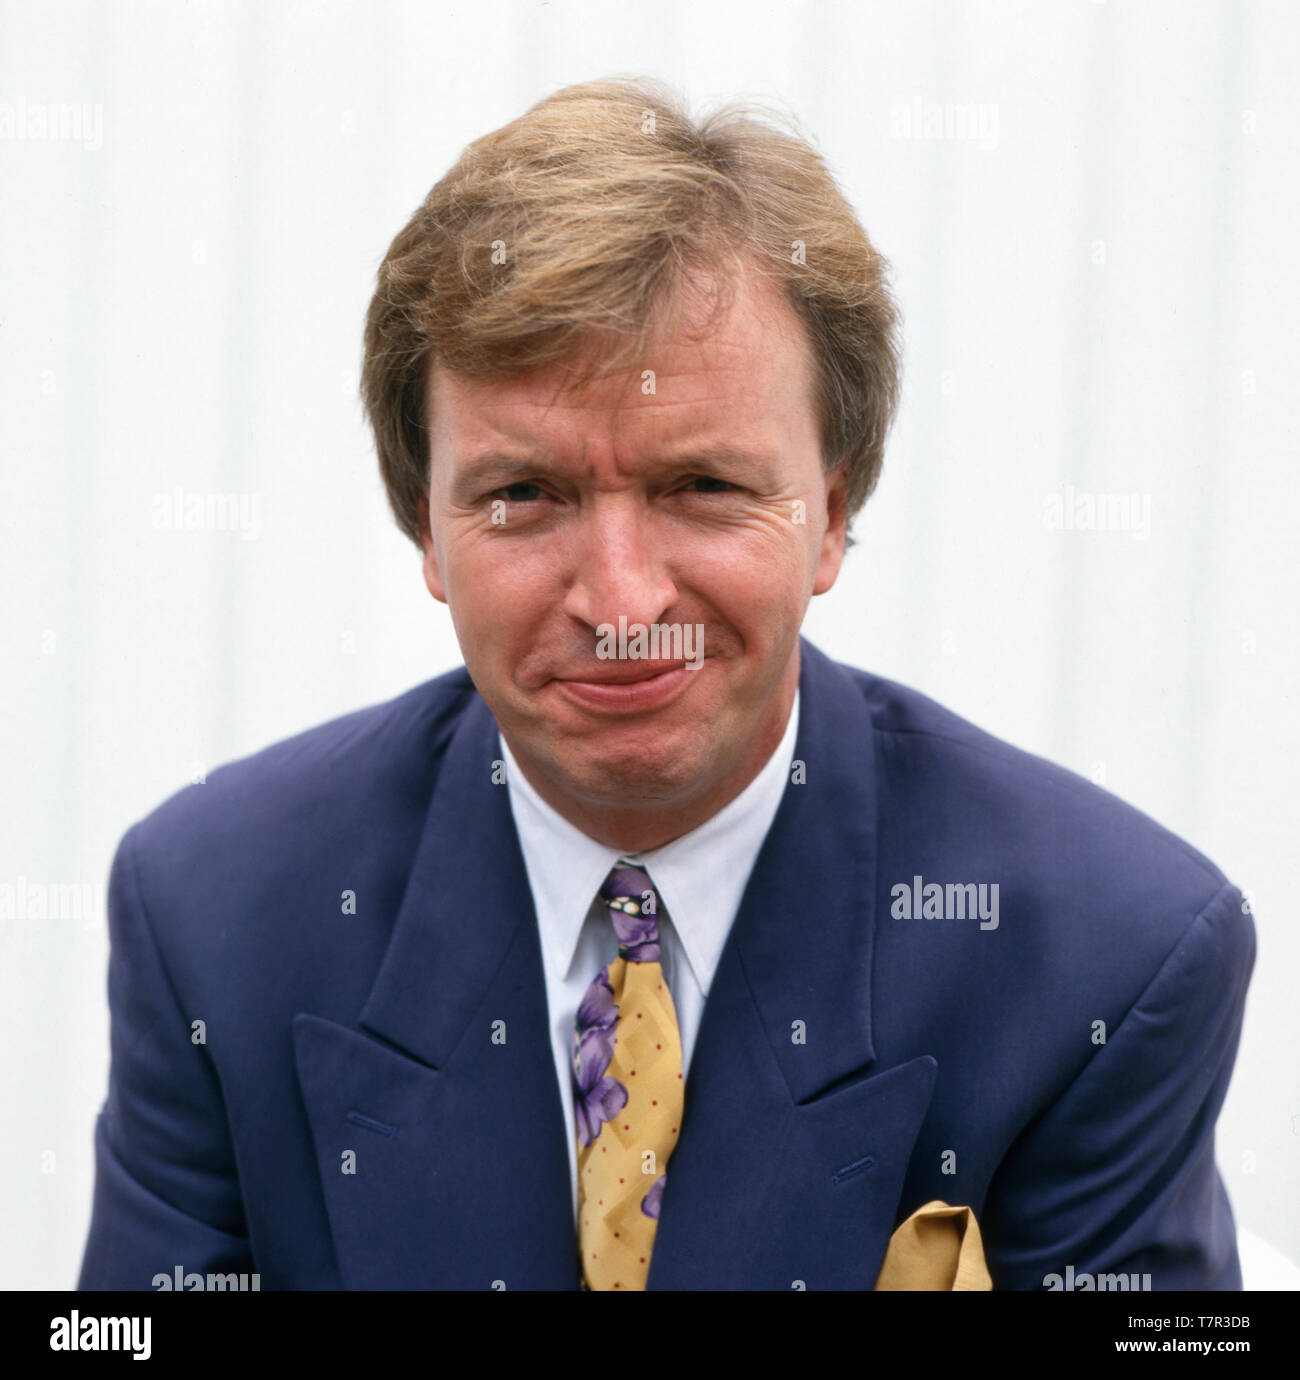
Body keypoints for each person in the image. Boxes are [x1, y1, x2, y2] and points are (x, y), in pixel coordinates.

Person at [77, 76, 1254, 1292]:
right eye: (525, 495)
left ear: (832, 514)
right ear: (424, 528)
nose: (623, 605)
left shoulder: (1111, 953)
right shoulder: (214, 915)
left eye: (701, 487)